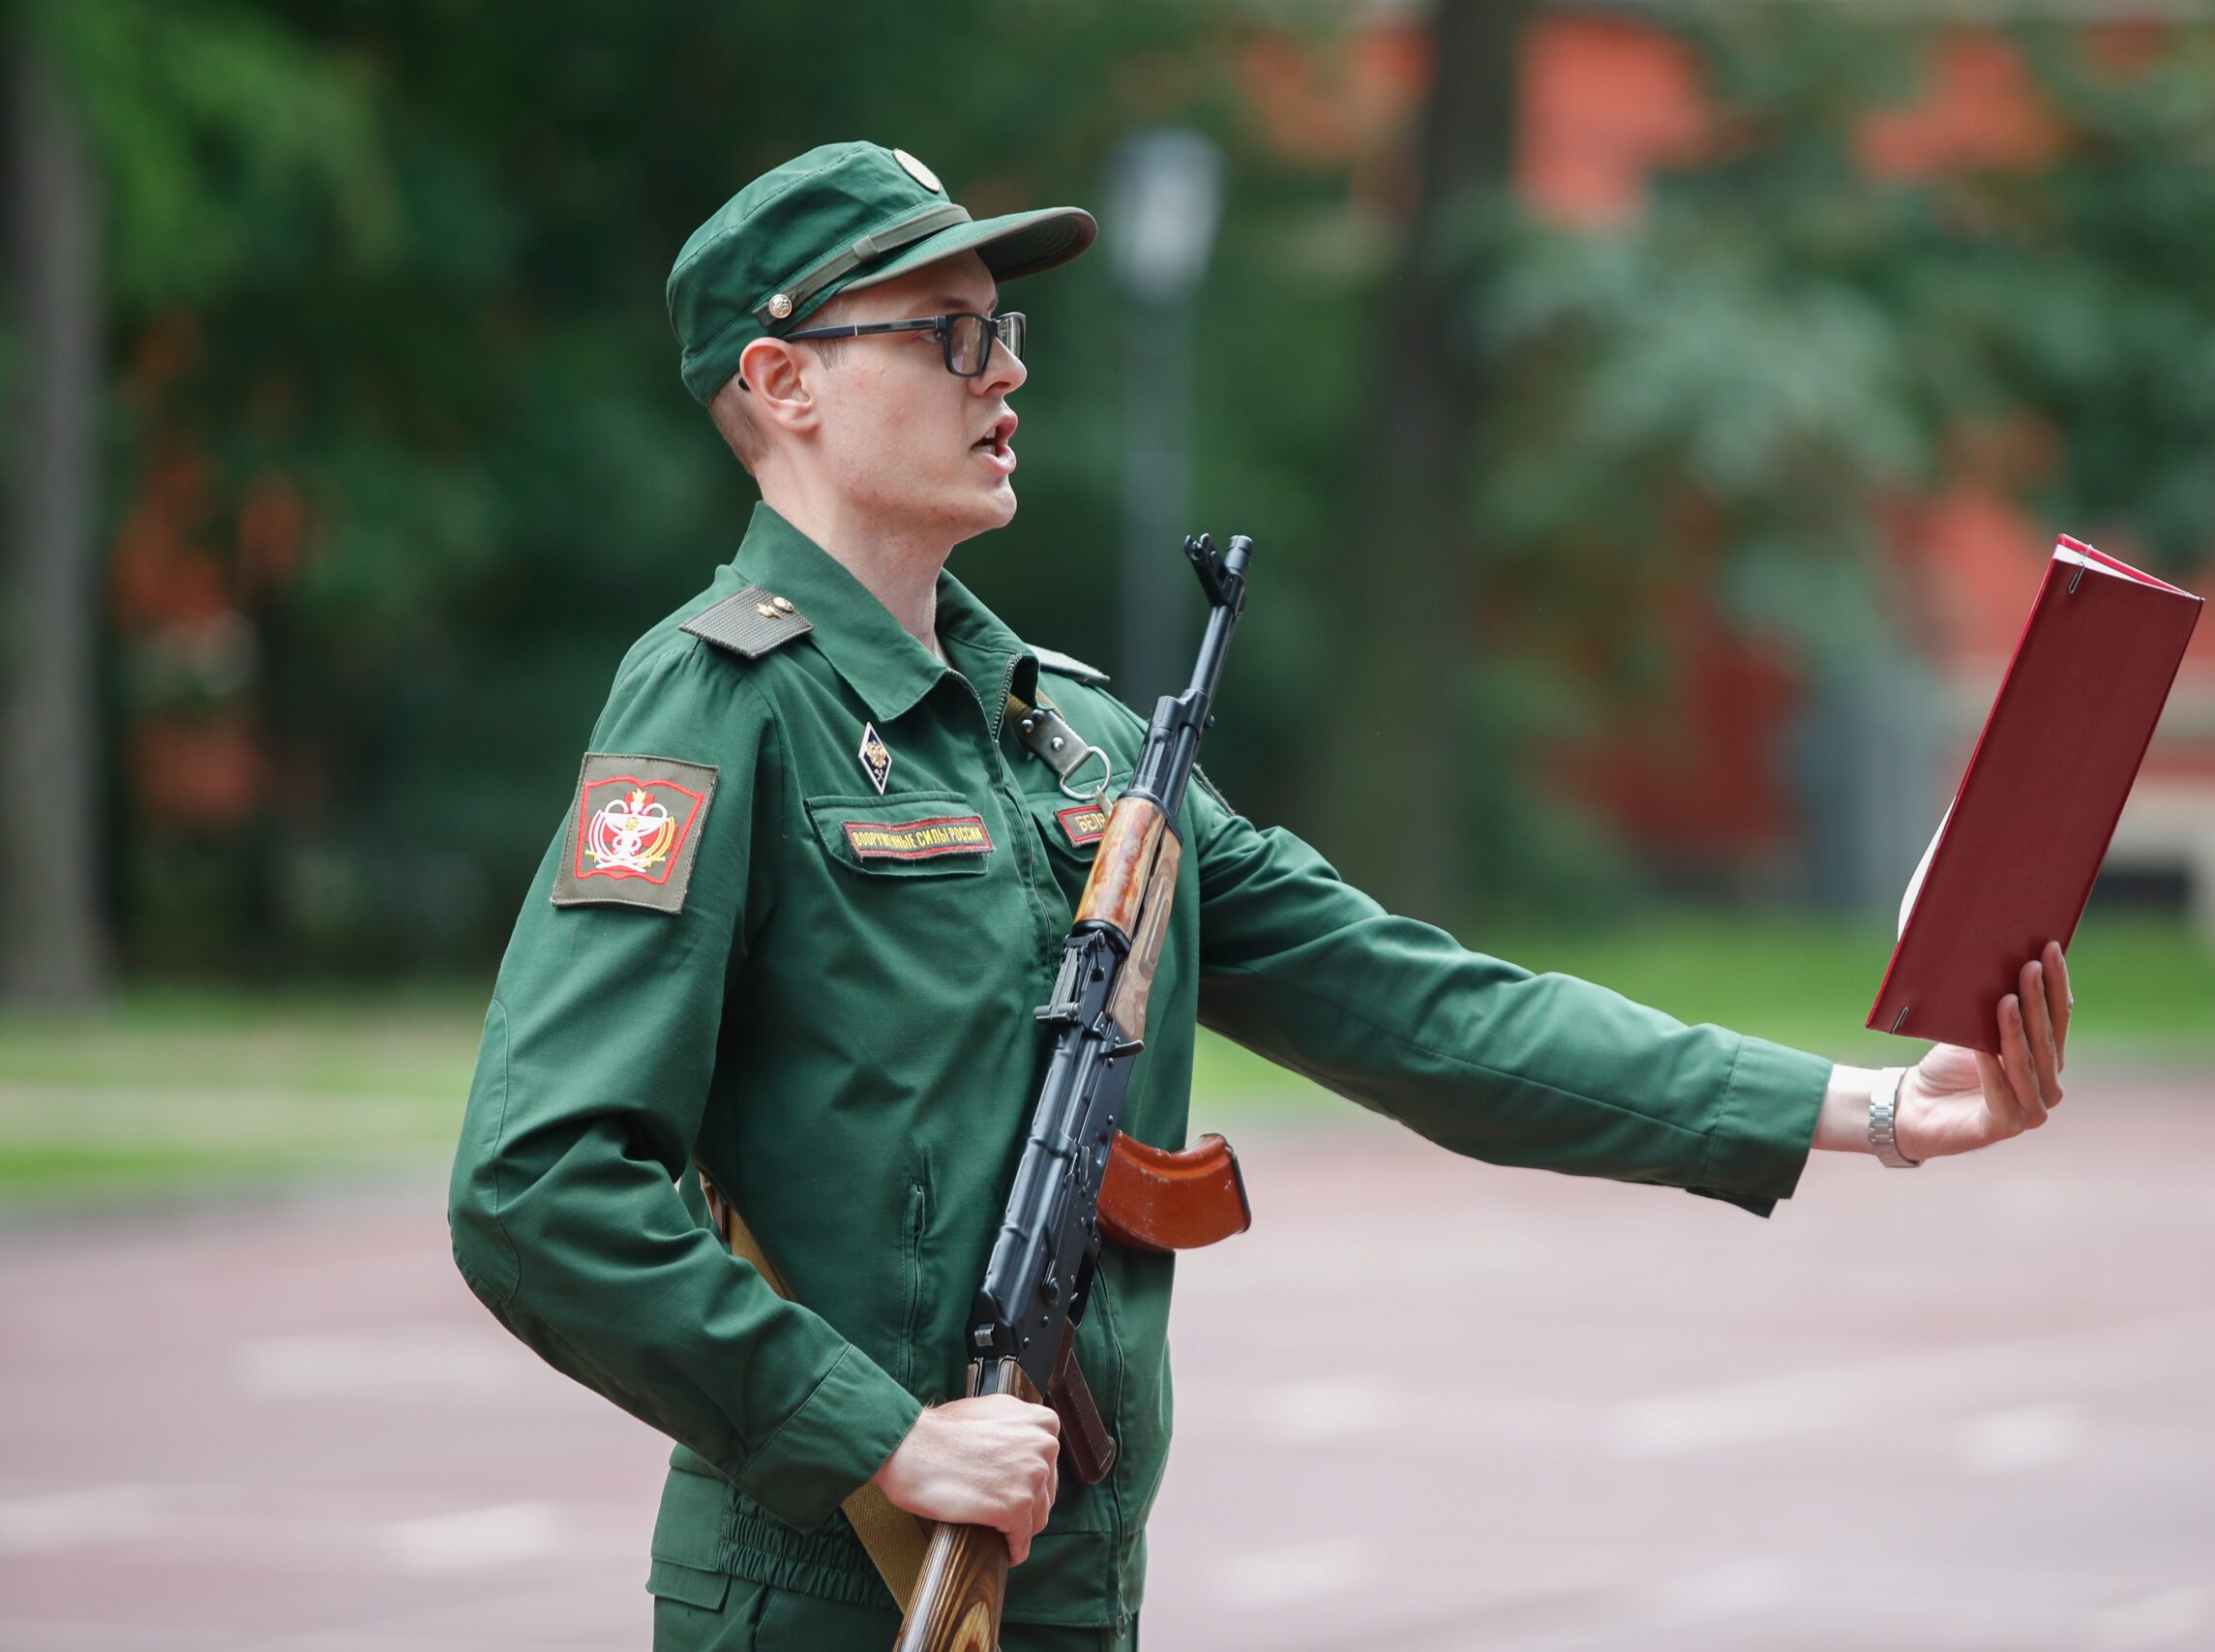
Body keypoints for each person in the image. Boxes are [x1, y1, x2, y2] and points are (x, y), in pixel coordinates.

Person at [445, 140, 2076, 1652]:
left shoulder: (1077, 741)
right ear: (783, 381)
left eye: (1003, 329)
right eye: (944, 335)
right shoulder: (720, 705)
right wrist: (874, 1434)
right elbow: (541, 1189)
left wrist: (1868, 1110)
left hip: (1070, 1577)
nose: (1005, 370)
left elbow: (1421, 1008)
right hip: (827, 1590)